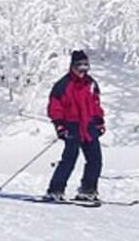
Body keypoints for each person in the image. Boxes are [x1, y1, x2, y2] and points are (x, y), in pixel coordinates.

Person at [45, 49, 105, 203]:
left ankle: (88, 190)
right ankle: (55, 190)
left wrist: (99, 121)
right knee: (69, 159)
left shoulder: (91, 83)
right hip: (71, 125)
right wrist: (59, 125)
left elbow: (96, 103)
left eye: (86, 65)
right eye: (80, 65)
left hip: (89, 126)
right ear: (72, 66)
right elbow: (54, 106)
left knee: (95, 159)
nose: (83, 69)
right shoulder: (63, 85)